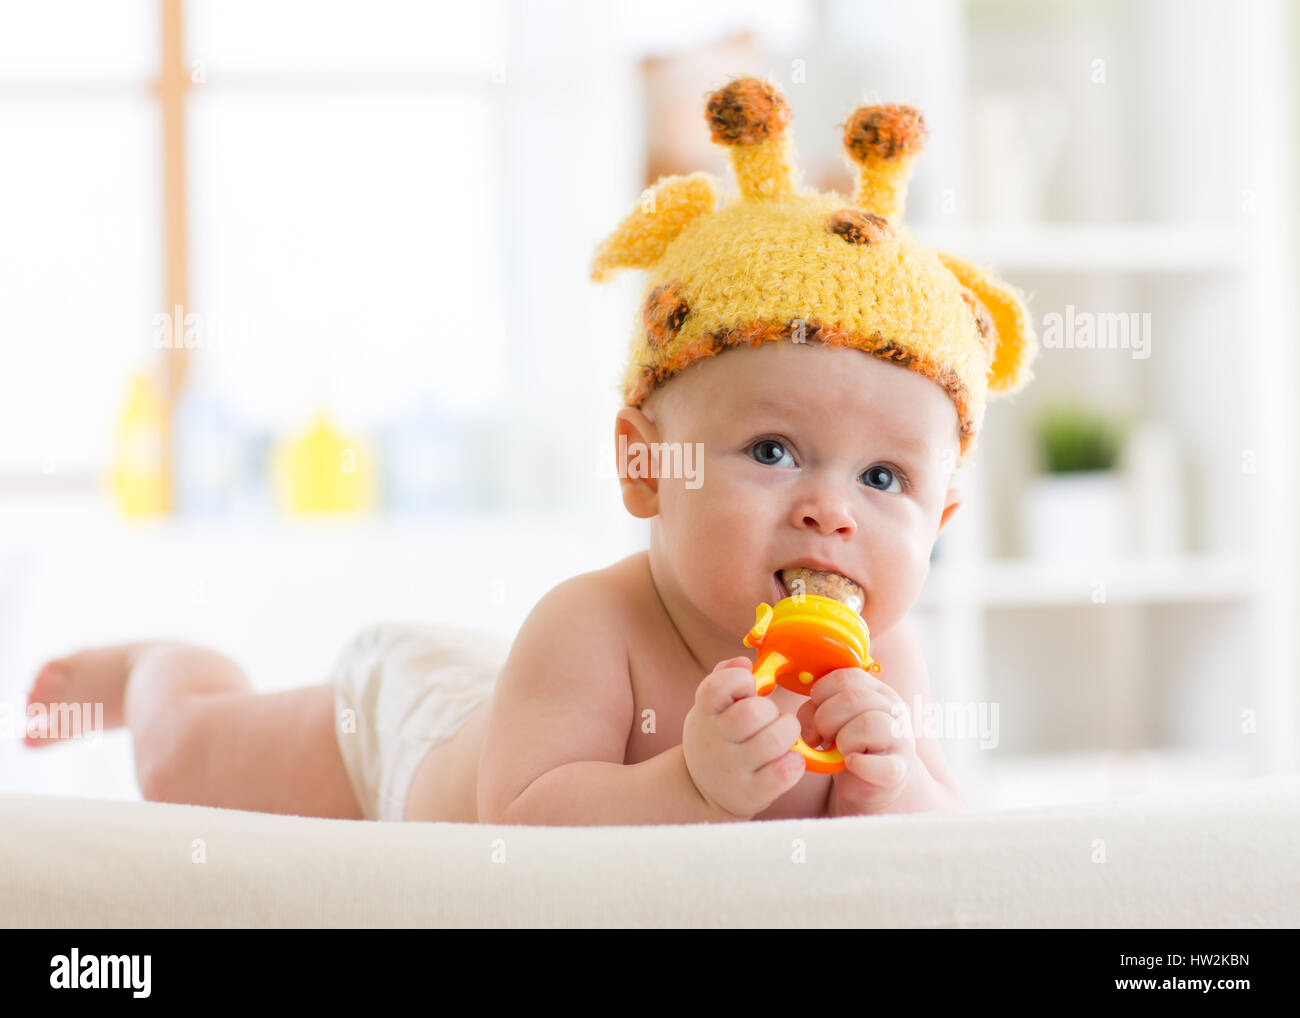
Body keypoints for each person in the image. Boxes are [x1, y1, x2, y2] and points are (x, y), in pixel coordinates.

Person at [25, 76, 1036, 826]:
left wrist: (881, 779)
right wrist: (686, 782)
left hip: (512, 704)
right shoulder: (595, 624)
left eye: (884, 477)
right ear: (646, 465)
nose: (831, 508)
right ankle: (162, 671)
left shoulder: (890, 660)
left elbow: (937, 837)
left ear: (941, 519)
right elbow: (524, 824)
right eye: (773, 449)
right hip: (416, 732)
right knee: (184, 763)